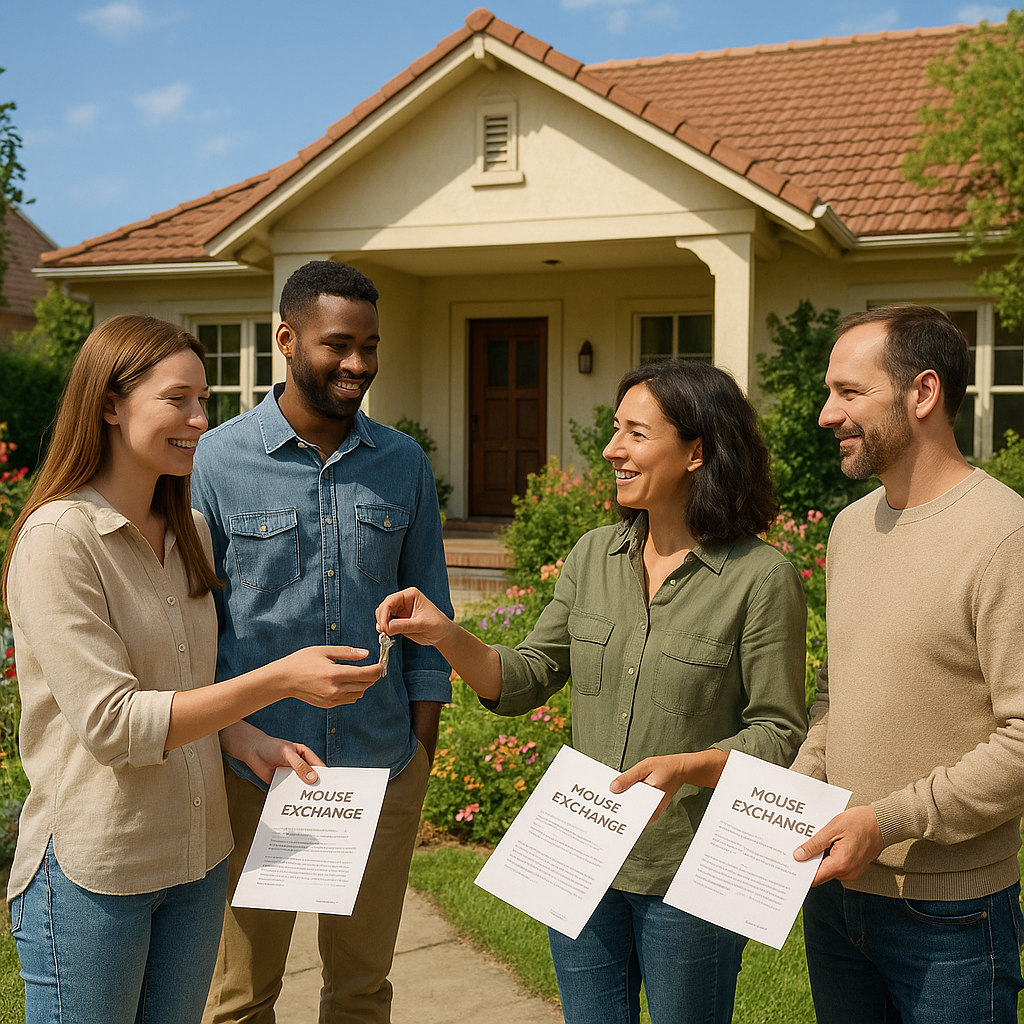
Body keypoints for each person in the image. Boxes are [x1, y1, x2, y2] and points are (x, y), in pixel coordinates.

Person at [377, 359, 807, 1024]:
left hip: (687, 874)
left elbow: (779, 731)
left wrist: (692, 767)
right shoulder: (591, 556)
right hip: (580, 856)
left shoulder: (760, 577)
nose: (611, 450)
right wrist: (443, 634)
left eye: (635, 433)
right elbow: (523, 679)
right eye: (615, 430)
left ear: (697, 451)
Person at [1, 314, 381, 1024]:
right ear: (110, 404)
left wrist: (247, 740)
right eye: (177, 399)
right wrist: (278, 680)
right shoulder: (60, 540)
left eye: (203, 400)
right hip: (97, 869)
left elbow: (187, 685)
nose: (200, 419)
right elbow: (113, 725)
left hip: (198, 862)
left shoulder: (190, 532)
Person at [192, 261, 453, 1024]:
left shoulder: (402, 463)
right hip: (255, 778)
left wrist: (421, 753)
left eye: (370, 346)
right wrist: (227, 739)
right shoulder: (214, 462)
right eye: (339, 344)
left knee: (362, 995)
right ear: (286, 339)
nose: (358, 365)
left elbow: (428, 618)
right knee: (240, 999)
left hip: (379, 773)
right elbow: (194, 627)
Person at [789, 304, 1024, 1023]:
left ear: (922, 393)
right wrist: (796, 791)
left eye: (850, 393)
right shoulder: (850, 528)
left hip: (951, 919)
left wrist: (885, 822)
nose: (828, 414)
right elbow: (841, 687)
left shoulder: (1006, 534)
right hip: (836, 902)